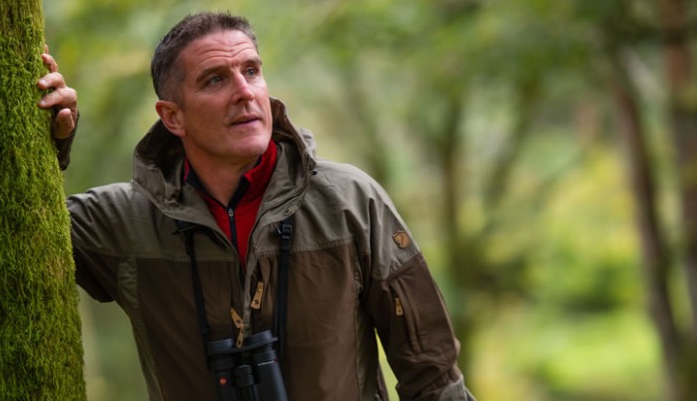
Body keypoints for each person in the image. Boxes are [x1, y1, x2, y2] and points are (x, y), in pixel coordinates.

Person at [38, 12, 476, 401]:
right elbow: (17, 228)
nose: (245, 92)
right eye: (215, 80)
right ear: (173, 117)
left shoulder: (350, 202)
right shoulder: (122, 221)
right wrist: (48, 139)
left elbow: (433, 374)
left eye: (251, 71)